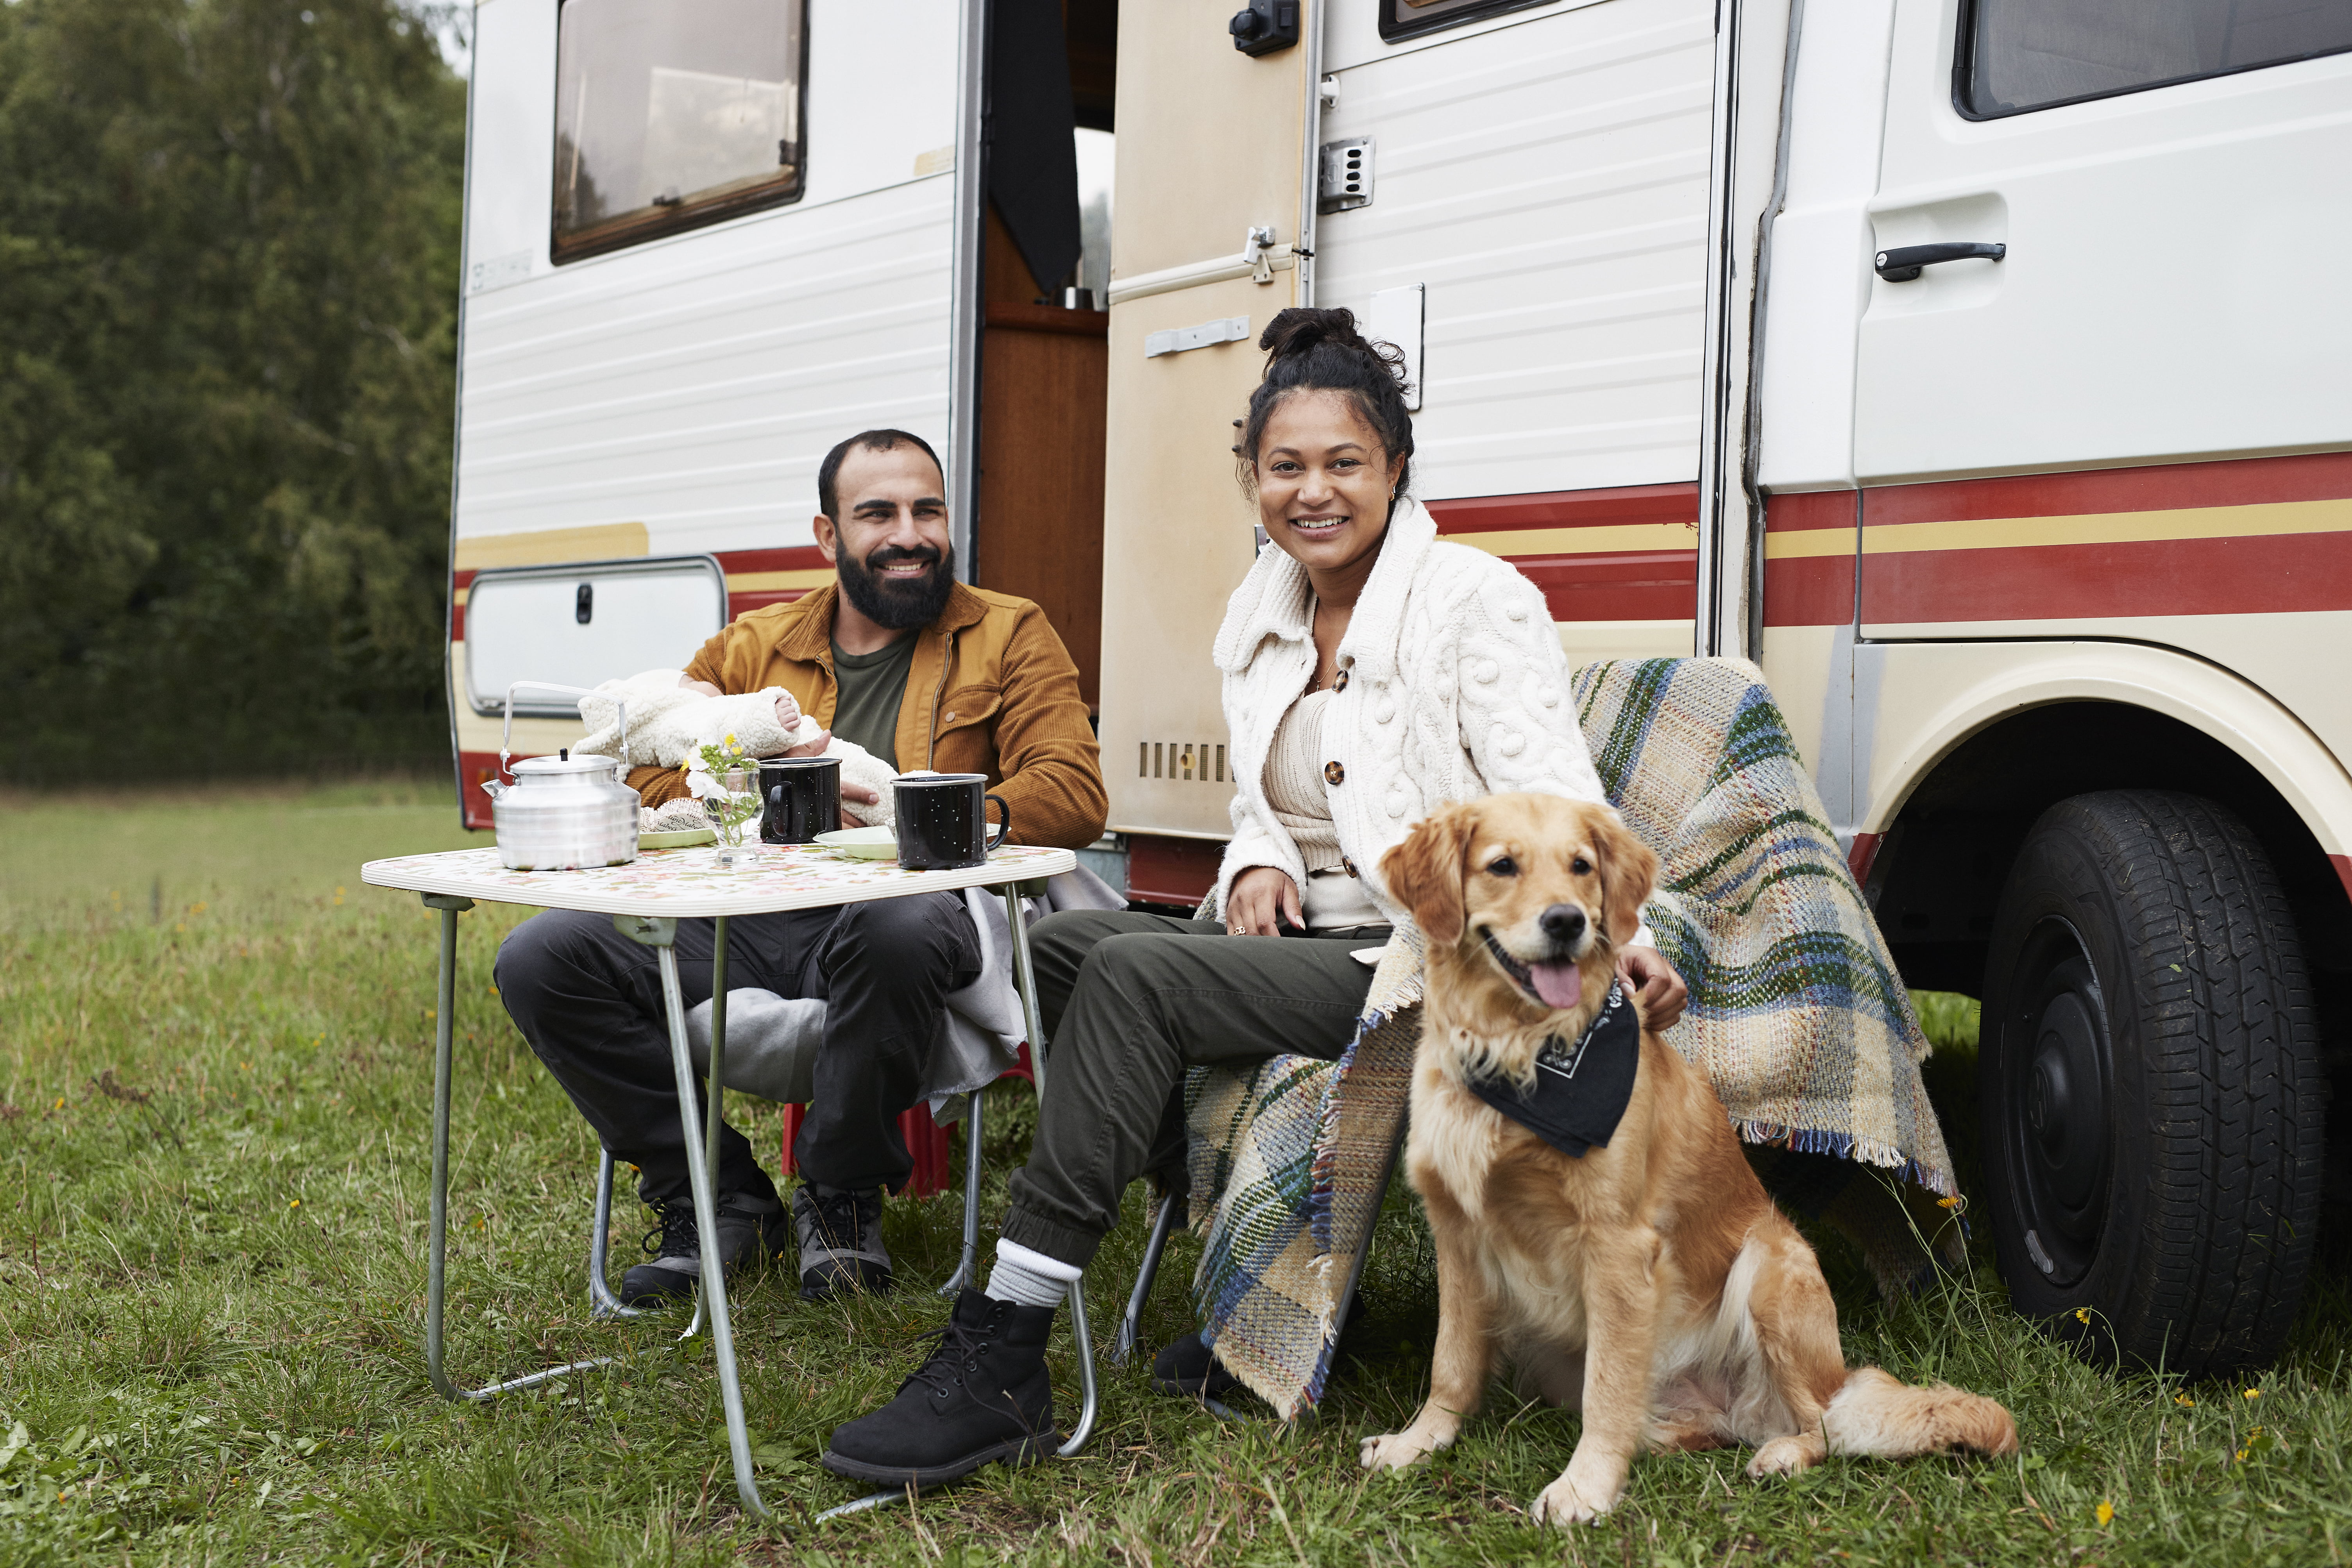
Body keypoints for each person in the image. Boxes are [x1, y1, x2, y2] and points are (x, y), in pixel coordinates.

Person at [819, 311, 1687, 1491]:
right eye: (1285, 466)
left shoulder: (1470, 600)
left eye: (1344, 463)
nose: (1313, 492)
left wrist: (1634, 937)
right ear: (1252, 478)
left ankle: (1005, 1343)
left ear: (1395, 469)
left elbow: (1557, 800)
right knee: (1059, 948)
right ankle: (1242, 1271)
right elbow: (1261, 799)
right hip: (1302, 933)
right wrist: (1258, 860)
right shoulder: (1264, 609)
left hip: (1414, 956)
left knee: (1136, 972)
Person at [495, 429, 1107, 1305]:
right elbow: (648, 768)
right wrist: (754, 788)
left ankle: (841, 1193)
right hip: (742, 920)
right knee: (541, 958)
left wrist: (904, 817)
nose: (909, 534)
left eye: (927, 510)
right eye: (878, 514)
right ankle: (714, 1195)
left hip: (911, 923)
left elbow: (1074, 792)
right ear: (829, 536)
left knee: (898, 922)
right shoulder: (753, 647)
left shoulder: (1008, 632)